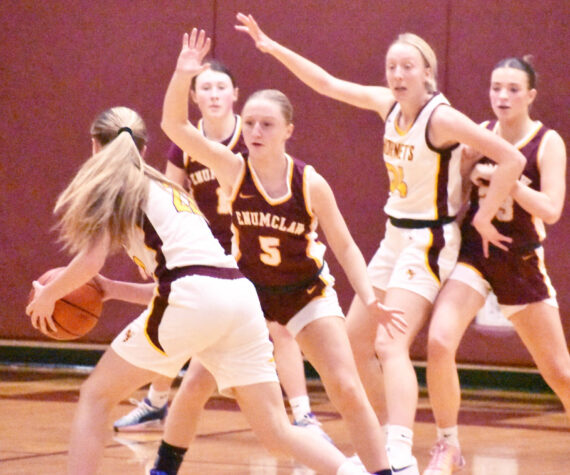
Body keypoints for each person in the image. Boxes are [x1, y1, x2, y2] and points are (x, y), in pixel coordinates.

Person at [235, 13, 527, 474]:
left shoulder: (443, 118)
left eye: (407, 66)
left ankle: (399, 444)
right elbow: (327, 83)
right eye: (392, 66)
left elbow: (510, 157)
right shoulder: (385, 105)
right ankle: (386, 439)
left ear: (427, 72)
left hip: (430, 239)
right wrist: (272, 46)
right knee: (354, 341)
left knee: (391, 344)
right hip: (395, 236)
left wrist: (484, 214)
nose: (397, 75)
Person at [25, 106, 372, 475]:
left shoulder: (113, 185)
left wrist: (49, 295)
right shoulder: (165, 187)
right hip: (238, 297)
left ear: (94, 147)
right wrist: (110, 290)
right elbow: (185, 282)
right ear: (143, 150)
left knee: (96, 395)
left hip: (193, 297)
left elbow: (92, 260)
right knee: (276, 430)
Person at [156, 29, 409, 475]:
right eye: (249, 122)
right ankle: (162, 468)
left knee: (347, 387)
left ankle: (382, 472)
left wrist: (369, 297)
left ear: (288, 131)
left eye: (266, 124)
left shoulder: (310, 182)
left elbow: (346, 246)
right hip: (250, 298)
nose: (254, 131)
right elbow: (174, 126)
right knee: (196, 382)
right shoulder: (232, 169)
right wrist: (182, 74)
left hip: (306, 293)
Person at [114, 60, 329, 440]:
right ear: (193, 96)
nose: (213, 95)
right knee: (175, 319)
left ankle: (302, 414)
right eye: (206, 88)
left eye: (220, 87)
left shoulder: (249, 139)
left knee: (279, 329)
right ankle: (157, 399)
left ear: (235, 95)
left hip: (252, 248)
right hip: (205, 253)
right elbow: (170, 194)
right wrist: (158, 253)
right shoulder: (186, 145)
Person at [423, 57, 570, 475]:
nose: (502, 96)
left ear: (530, 96)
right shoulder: (480, 133)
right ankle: (448, 446)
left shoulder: (547, 141)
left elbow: (552, 209)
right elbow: (454, 193)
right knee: (438, 341)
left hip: (520, 263)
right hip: (475, 257)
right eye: (495, 88)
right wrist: (468, 167)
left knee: (560, 374)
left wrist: (512, 179)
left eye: (512, 89)